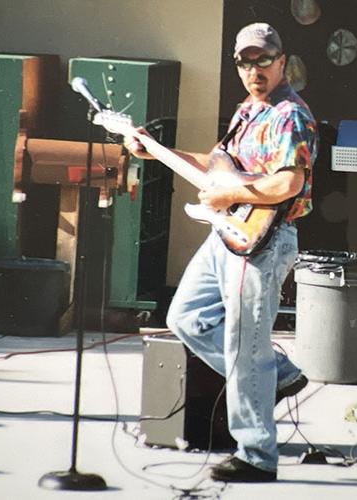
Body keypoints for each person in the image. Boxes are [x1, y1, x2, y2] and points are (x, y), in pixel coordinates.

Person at [126, 22, 318, 482]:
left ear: (281, 60)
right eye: (245, 62)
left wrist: (229, 195)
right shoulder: (247, 111)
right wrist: (155, 151)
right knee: (185, 318)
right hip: (227, 234)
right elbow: (216, 166)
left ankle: (256, 454)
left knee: (243, 346)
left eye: (264, 61)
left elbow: (288, 183)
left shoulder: (289, 115)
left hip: (264, 242)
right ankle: (280, 374)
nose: (255, 71)